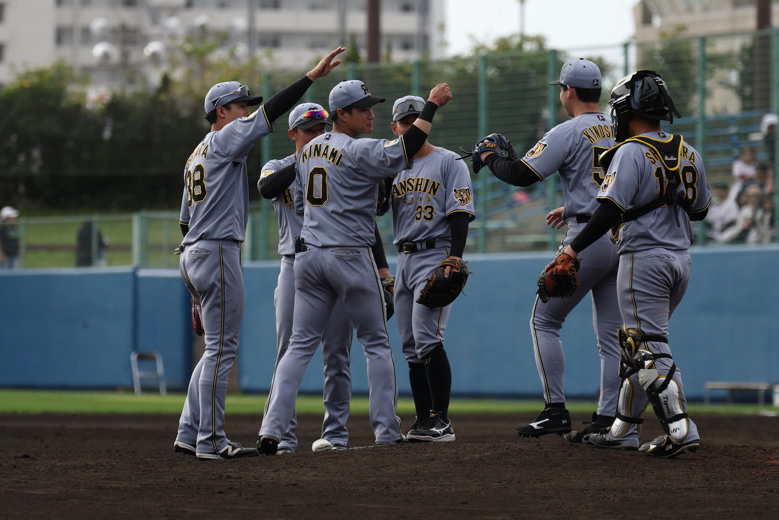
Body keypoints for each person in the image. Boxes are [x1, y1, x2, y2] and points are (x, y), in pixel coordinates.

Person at [256, 80, 453, 455]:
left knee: (298, 347)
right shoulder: (360, 149)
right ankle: (386, 431)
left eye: (371, 106)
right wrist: (431, 106)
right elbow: (409, 145)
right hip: (349, 255)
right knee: (376, 343)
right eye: (362, 108)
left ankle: (272, 428)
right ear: (341, 114)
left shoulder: (308, 151)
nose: (370, 114)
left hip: (308, 257)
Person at [173, 46, 345, 461]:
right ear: (220, 111)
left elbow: (183, 220)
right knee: (222, 349)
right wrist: (311, 77)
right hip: (216, 249)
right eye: (239, 106)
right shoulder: (225, 138)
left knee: (213, 348)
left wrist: (195, 290)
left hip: (192, 252)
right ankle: (211, 441)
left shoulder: (195, 154)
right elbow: (272, 112)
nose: (245, 112)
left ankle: (188, 431)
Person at [559, 70, 711, 458]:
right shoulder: (689, 151)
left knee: (648, 347)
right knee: (636, 346)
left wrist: (571, 250)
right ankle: (622, 429)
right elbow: (700, 210)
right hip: (680, 260)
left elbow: (609, 210)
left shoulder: (629, 150)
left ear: (627, 110)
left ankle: (681, 429)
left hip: (643, 258)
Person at [473, 59, 621, 443]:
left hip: (586, 238)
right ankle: (609, 421)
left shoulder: (568, 130)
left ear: (568, 91)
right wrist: (572, 205)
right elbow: (611, 187)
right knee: (612, 337)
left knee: (544, 321)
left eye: (561, 89)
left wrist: (489, 157)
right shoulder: (619, 128)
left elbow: (521, 175)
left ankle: (555, 410)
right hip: (621, 236)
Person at [381, 94, 475, 442]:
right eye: (404, 122)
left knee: (427, 337)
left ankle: (441, 420)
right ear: (395, 128)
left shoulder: (449, 162)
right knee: (410, 345)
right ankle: (423, 420)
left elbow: (460, 212)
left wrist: (455, 257)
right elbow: (377, 209)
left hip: (435, 253)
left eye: (415, 120)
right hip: (404, 257)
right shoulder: (392, 167)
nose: (410, 127)